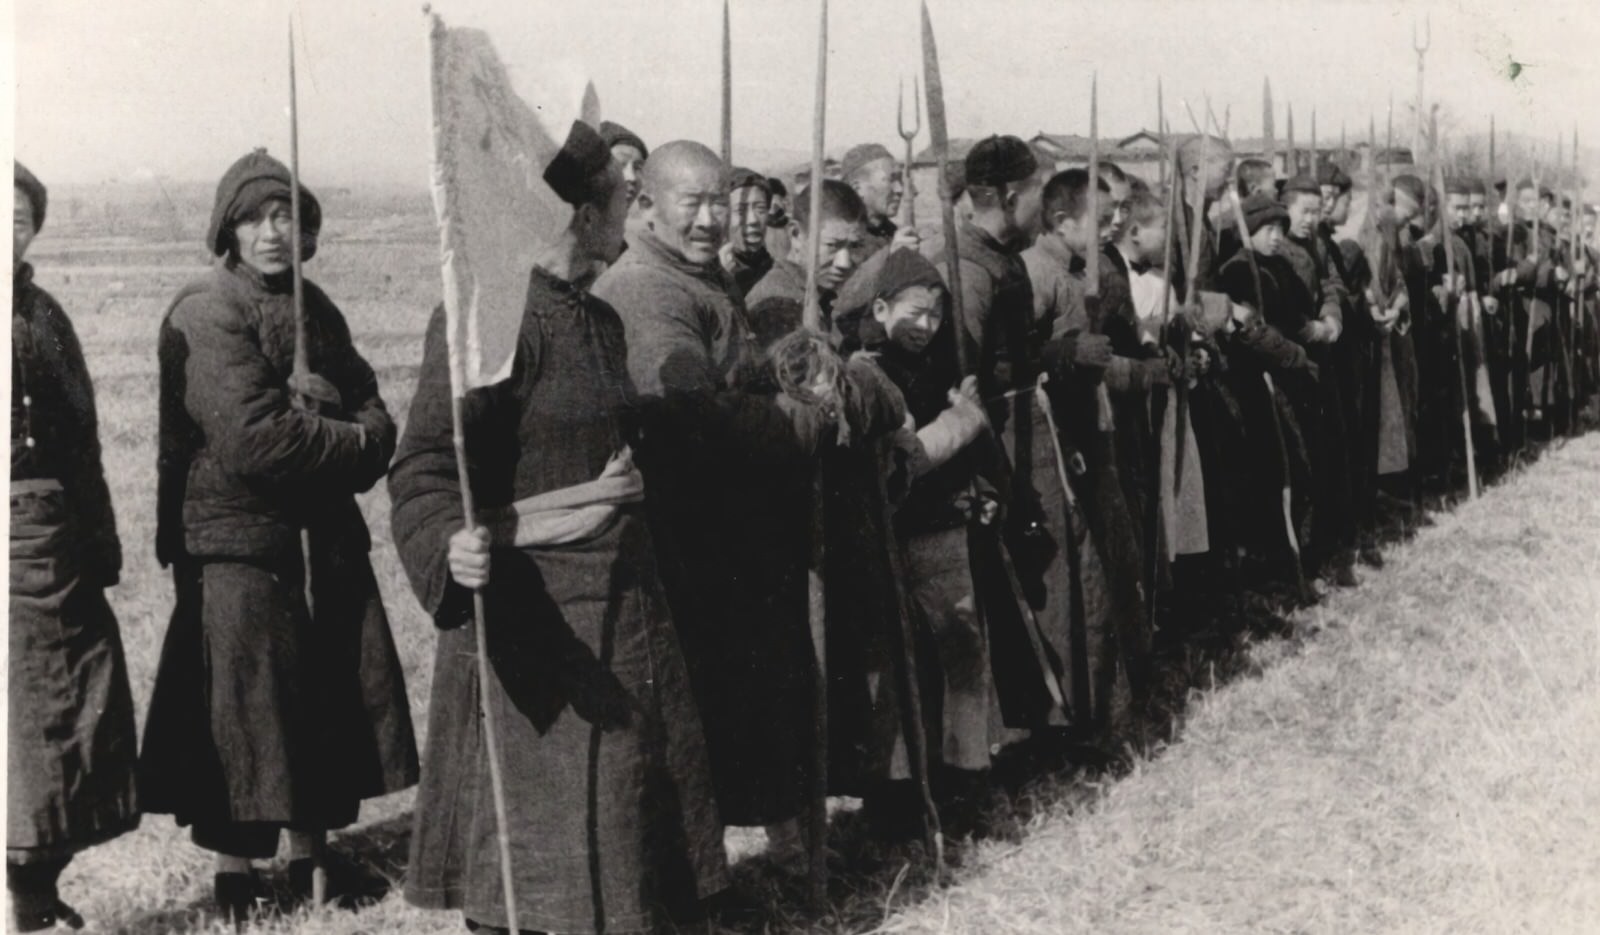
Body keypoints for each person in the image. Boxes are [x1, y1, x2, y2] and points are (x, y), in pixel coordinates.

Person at [390, 121, 727, 935]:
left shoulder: (599, 320)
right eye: (622, 194)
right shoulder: (487, 320)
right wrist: (447, 541)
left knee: (628, 839)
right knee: (537, 869)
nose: (631, 207)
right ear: (581, 212)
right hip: (539, 626)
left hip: (625, 612)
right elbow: (426, 465)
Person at [140, 149, 419, 923]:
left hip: (319, 533)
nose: (273, 231)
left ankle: (310, 856)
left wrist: (346, 430)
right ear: (228, 228)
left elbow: (377, 413)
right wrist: (341, 434)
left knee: (324, 689)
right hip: (239, 542)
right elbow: (257, 441)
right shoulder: (207, 309)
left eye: (287, 214)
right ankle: (236, 872)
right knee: (244, 708)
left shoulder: (316, 309)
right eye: (256, 217)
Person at [9, 162, 141, 933]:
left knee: (67, 712)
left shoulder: (46, 318)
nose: (9, 227)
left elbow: (84, 438)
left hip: (52, 543)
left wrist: (100, 541)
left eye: (21, 216)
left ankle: (35, 887)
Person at [745, 179, 867, 348]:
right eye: (832, 245)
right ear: (796, 234)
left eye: (855, 246)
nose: (844, 263)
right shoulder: (777, 306)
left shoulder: (820, 295)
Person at [841, 142, 914, 257]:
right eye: (890, 180)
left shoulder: (892, 232)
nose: (899, 189)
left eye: (900, 180)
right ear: (857, 188)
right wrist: (889, 255)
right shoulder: (840, 239)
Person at [720, 167, 775, 297]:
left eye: (760, 210)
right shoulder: (707, 273)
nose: (753, 220)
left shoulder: (776, 272)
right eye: (740, 211)